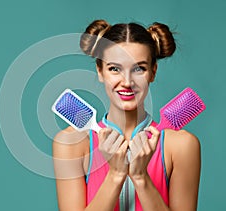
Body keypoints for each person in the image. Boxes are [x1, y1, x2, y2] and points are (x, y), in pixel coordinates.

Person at [53, 19, 201, 211]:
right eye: (114, 69)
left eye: (139, 69)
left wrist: (141, 177)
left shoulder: (181, 146)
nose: (127, 82)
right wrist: (115, 174)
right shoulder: (71, 143)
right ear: (100, 71)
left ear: (153, 73)